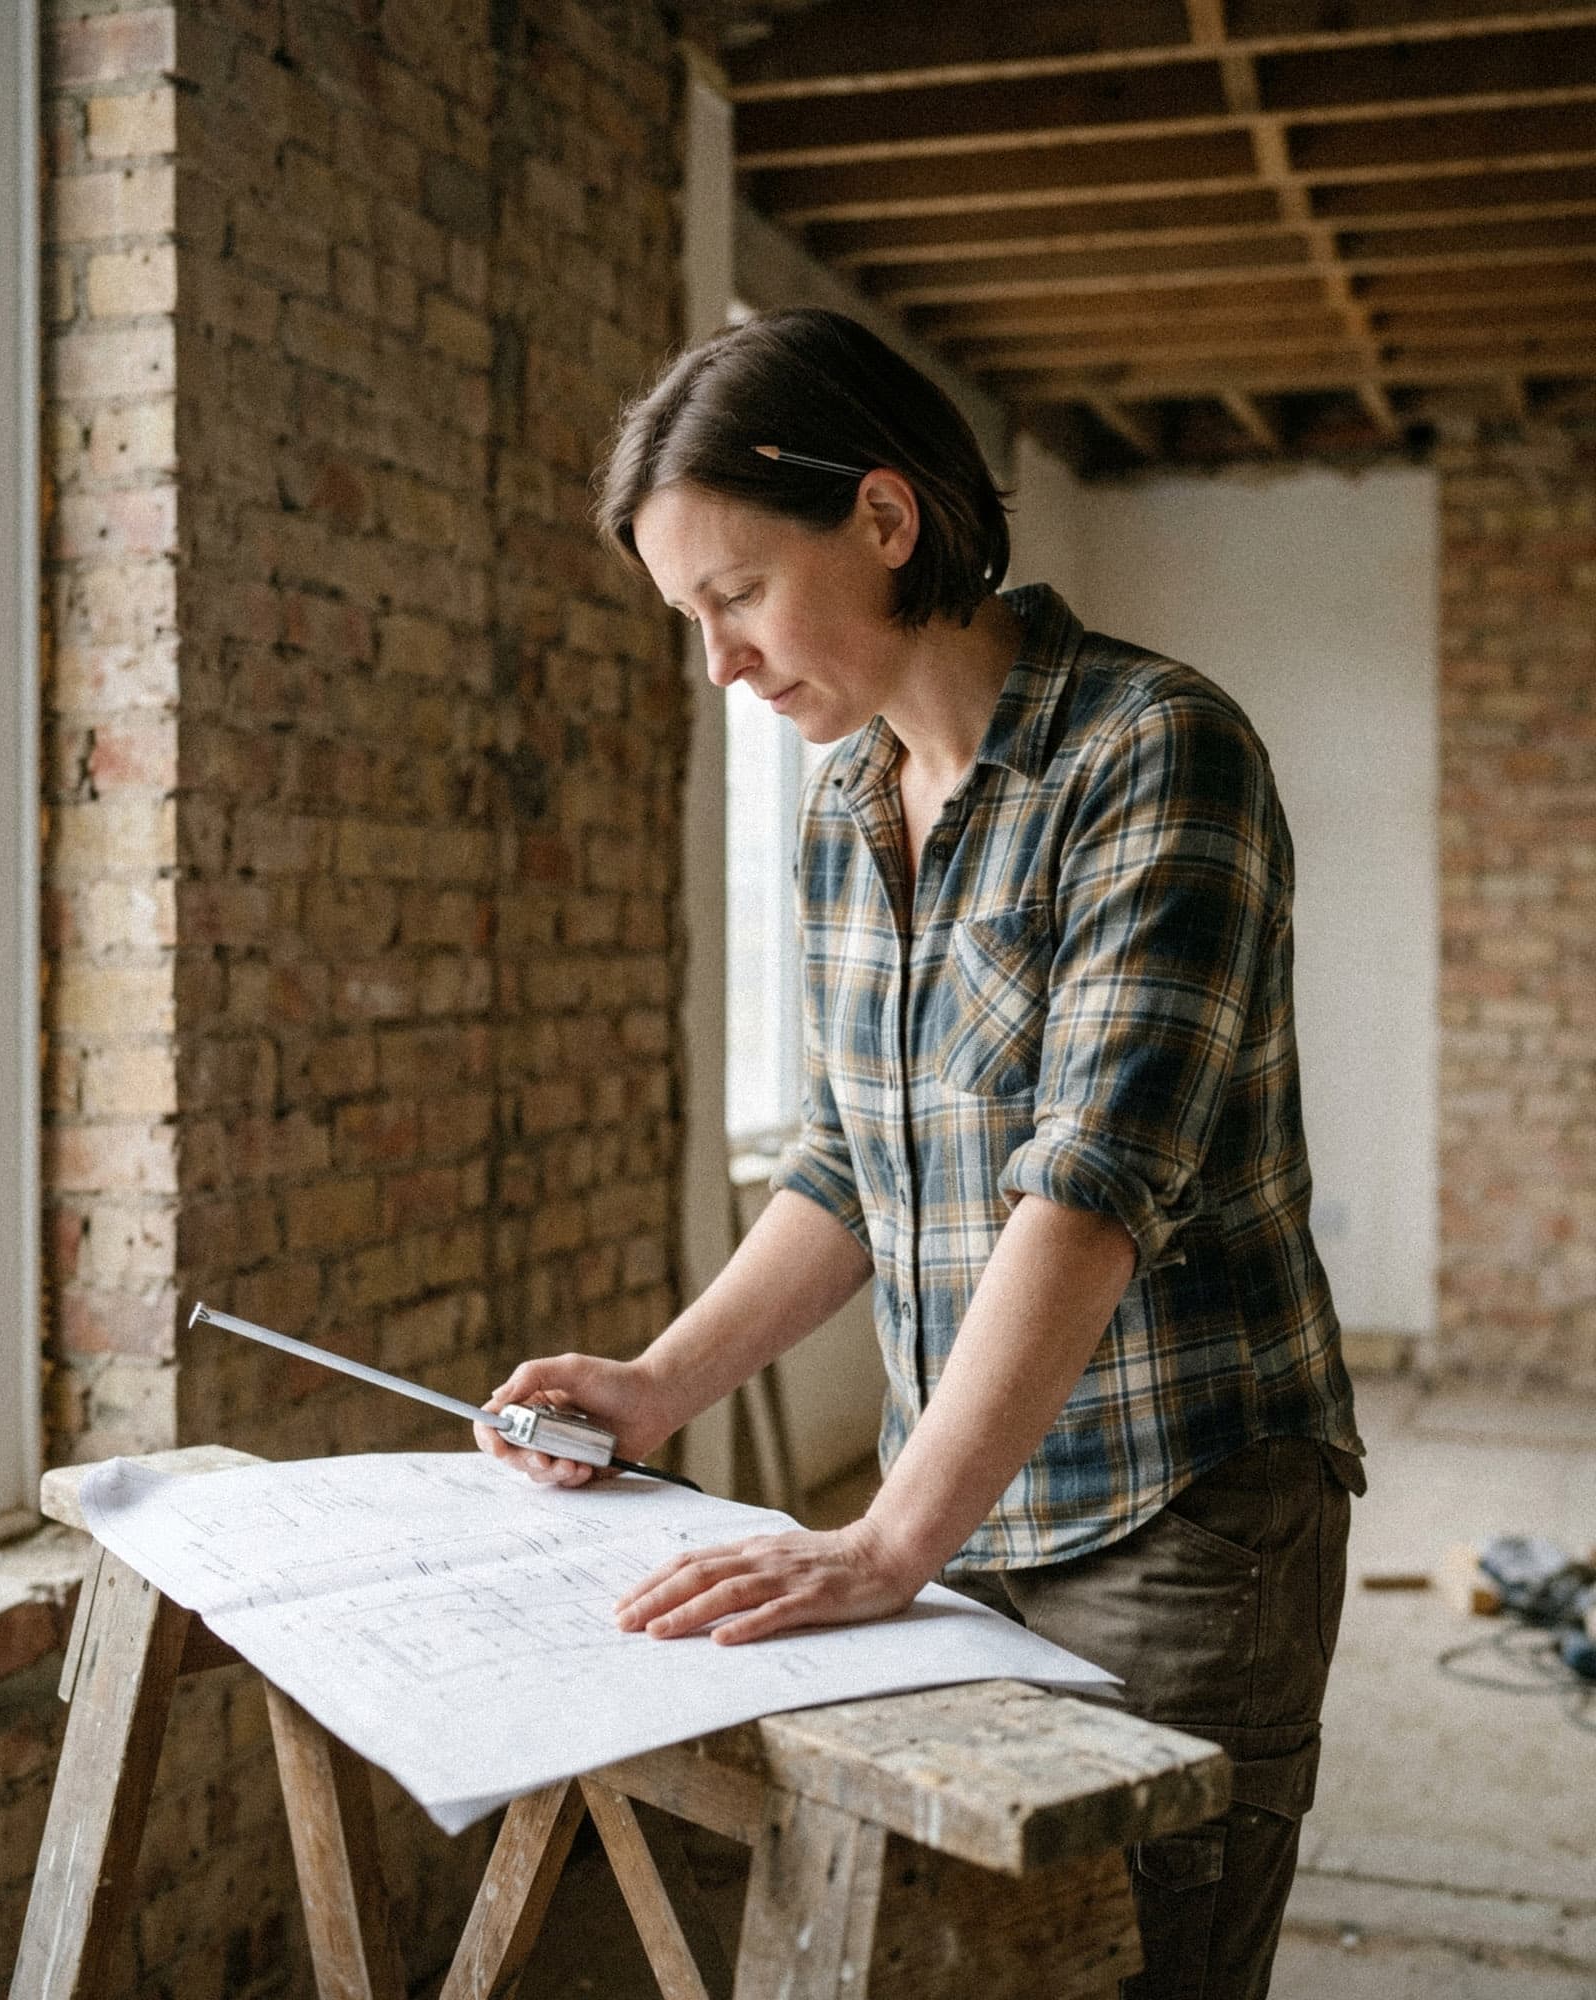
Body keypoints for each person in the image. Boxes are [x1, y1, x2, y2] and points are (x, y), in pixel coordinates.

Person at [474, 306, 1365, 1998]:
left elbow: (1087, 1188)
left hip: (1179, 1519)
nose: (719, 665)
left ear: (885, 518)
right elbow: (844, 1167)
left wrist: (886, 1541)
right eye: (691, 619)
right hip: (968, 1509)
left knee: (1134, 1965)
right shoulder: (847, 807)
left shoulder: (1154, 755)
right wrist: (659, 1386)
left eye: (735, 597)